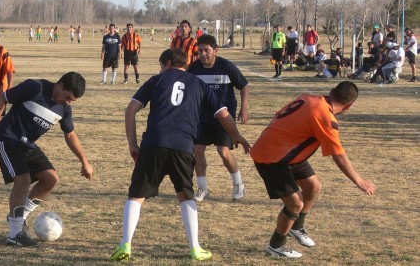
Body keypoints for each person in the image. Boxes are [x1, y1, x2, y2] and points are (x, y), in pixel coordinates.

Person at [110, 48, 250, 261]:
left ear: (166, 63)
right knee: (185, 195)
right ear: (185, 64)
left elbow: (130, 111)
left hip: (154, 142)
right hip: (184, 145)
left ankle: (125, 245)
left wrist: (133, 144)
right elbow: (223, 114)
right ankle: (195, 248)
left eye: (161, 65)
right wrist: (236, 135)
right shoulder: (198, 83)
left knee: (137, 196)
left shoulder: (156, 80)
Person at [250, 81, 376, 258]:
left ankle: (296, 226)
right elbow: (338, 155)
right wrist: (359, 181)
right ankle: (276, 247)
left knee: (313, 186)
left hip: (287, 151)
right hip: (272, 158)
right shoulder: (325, 116)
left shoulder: (307, 97)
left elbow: (278, 115)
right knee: (295, 204)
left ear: (331, 91)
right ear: (349, 106)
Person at [0, 72, 94, 247]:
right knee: (23, 180)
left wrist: (84, 161)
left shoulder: (64, 109)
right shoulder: (35, 87)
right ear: (60, 85)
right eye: (68, 97)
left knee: (51, 178)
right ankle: (15, 233)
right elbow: (2, 98)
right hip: (7, 138)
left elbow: (70, 135)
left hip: (27, 145)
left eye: (73, 101)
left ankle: (17, 217)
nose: (68, 102)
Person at [189, 35, 249, 202]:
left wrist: (244, 108)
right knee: (198, 149)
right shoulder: (194, 68)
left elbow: (243, 86)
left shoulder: (226, 66)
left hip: (224, 117)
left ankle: (239, 184)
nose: (202, 54)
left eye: (206, 50)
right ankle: (202, 188)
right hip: (202, 116)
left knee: (223, 151)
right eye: (199, 51)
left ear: (215, 50)